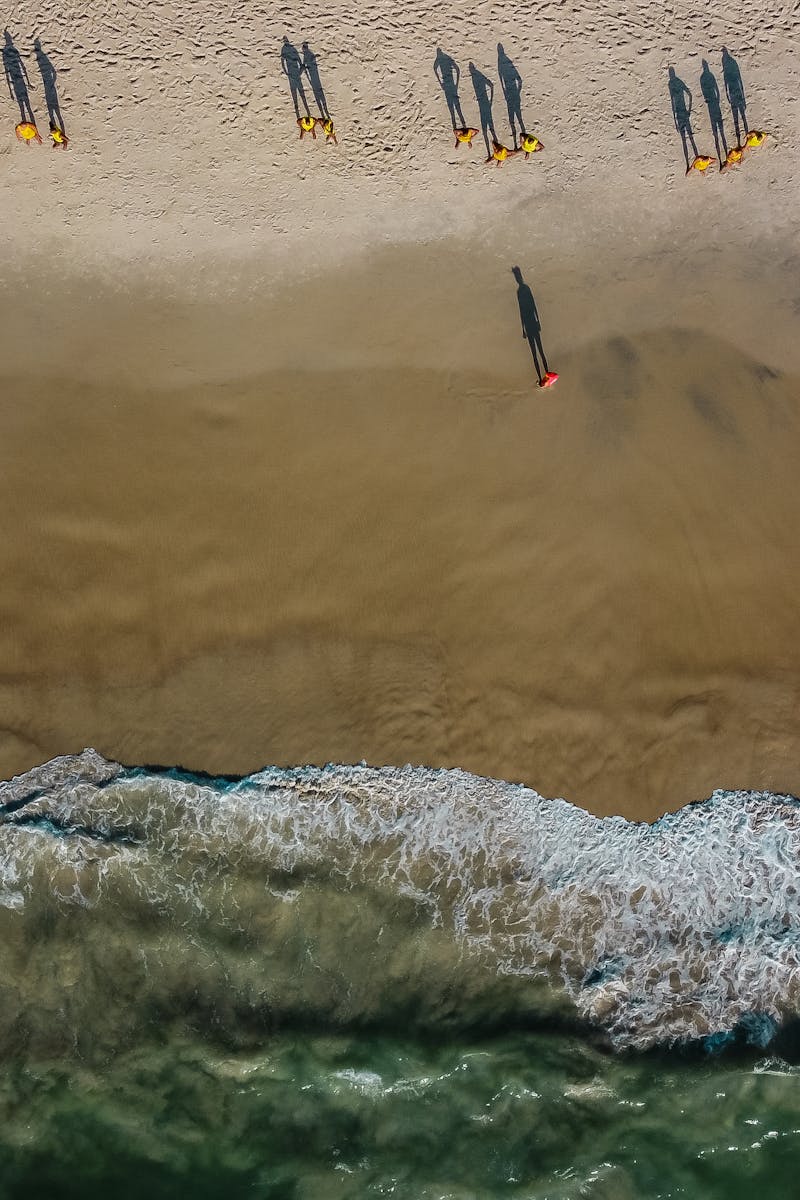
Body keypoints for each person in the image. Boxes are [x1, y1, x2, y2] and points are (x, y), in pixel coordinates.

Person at [512, 265, 557, 388]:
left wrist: (526, 326)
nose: (518, 279)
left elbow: (526, 308)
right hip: (531, 322)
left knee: (536, 352)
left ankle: (543, 379)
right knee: (538, 351)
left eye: (517, 277)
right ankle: (545, 376)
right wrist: (534, 322)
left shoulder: (522, 290)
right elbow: (530, 306)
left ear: (519, 277)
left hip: (529, 322)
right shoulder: (524, 289)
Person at [668, 66, 699, 170]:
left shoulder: (671, 83)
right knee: (689, 138)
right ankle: (694, 163)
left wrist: (675, 119)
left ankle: (689, 164)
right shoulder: (677, 82)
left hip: (680, 114)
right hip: (683, 113)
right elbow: (689, 94)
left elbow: (673, 102)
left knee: (686, 140)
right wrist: (689, 110)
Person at [434, 47, 465, 130]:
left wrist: (440, 82)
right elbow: (457, 69)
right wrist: (457, 83)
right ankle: (463, 125)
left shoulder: (438, 60)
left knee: (452, 106)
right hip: (452, 85)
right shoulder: (447, 58)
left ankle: (456, 125)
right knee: (456, 105)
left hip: (447, 85)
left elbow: (435, 69)